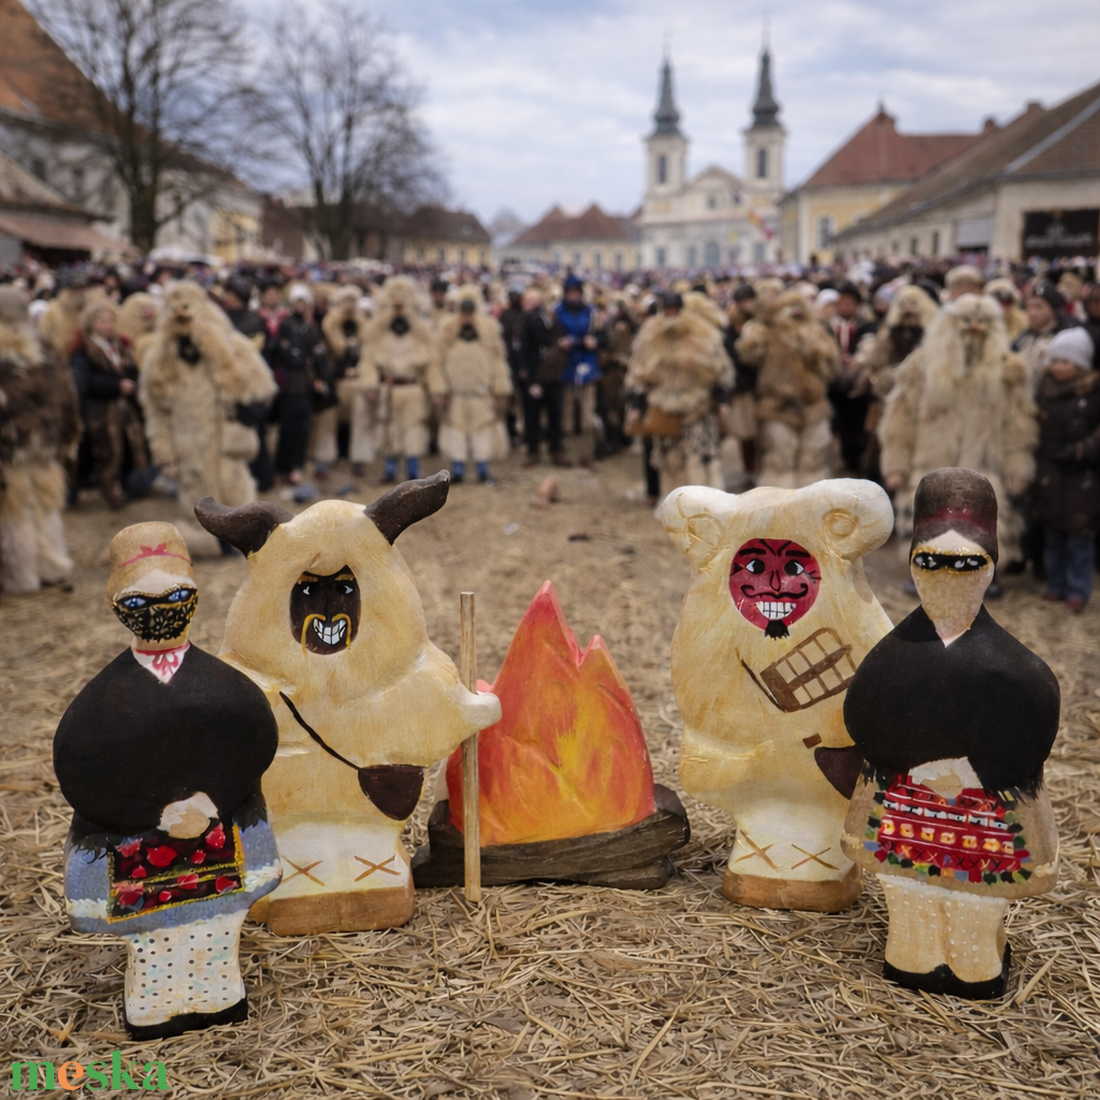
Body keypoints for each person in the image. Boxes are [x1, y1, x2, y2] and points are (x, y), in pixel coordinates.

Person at [878, 293, 1036, 583]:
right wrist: (896, 464)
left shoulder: (1009, 370)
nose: (973, 328)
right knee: (931, 522)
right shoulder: (920, 366)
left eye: (982, 322)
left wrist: (1018, 466)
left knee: (982, 524)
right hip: (930, 466)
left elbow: (1019, 424)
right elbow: (900, 418)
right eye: (965, 321)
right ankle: (928, 576)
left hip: (987, 467)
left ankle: (979, 580)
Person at [139, 281, 277, 556]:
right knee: (197, 500)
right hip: (188, 445)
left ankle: (241, 539)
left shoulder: (229, 343)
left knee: (234, 495)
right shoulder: (161, 356)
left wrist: (215, 353)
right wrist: (163, 449)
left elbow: (260, 387)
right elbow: (155, 407)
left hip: (226, 441)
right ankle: (207, 542)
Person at [0, 286, 80, 593]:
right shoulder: (43, 347)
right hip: (44, 447)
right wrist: (68, 436)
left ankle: (24, 576)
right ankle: (52, 566)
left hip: (11, 450)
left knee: (16, 515)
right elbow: (66, 396)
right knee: (46, 509)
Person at [624, 290, 733, 493]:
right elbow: (638, 377)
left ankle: (704, 501)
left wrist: (722, 401)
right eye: (668, 310)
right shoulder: (650, 337)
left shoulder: (702, 335)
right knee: (670, 460)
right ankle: (675, 502)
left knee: (699, 457)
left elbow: (720, 372)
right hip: (664, 408)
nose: (671, 315)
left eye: (675, 310)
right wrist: (636, 406)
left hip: (698, 407)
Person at [736, 290, 839, 489]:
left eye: (799, 306)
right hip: (778, 406)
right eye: (790, 307)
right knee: (780, 458)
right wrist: (753, 334)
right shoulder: (768, 332)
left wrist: (816, 351)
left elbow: (831, 367)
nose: (796, 311)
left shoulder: (817, 331)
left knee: (813, 457)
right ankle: (778, 502)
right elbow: (748, 354)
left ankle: (812, 500)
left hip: (813, 406)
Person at [1033, 326, 1100, 612]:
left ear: (1081, 364)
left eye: (1067, 362)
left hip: (1081, 477)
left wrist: (1082, 450)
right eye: (1056, 361)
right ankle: (1056, 584)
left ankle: (1078, 588)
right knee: (1054, 536)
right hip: (1051, 475)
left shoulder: (1093, 393)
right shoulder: (1045, 392)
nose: (1059, 367)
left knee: (1078, 540)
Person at [362, 276, 443, 484]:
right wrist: (369, 383)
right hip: (389, 387)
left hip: (413, 387)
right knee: (389, 429)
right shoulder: (378, 330)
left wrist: (436, 389)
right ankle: (390, 470)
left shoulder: (421, 330)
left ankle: (413, 470)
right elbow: (369, 359)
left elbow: (432, 362)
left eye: (403, 297)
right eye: (394, 297)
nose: (398, 301)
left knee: (414, 428)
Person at [69, 299, 147, 508]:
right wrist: (116, 385)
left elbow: (131, 370)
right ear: (91, 323)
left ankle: (124, 486)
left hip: (122, 410)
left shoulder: (120, 345)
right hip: (98, 411)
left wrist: (130, 382)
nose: (107, 326)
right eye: (101, 322)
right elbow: (84, 381)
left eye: (110, 321)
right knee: (101, 453)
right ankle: (93, 489)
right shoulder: (83, 349)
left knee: (126, 449)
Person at [436, 291, 512, 484]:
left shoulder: (488, 330)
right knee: (455, 430)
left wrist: (501, 388)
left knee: (483, 430)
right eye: (464, 310)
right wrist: (439, 389)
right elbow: (438, 361)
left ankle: (483, 470)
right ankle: (458, 469)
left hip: (482, 393)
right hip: (456, 393)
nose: (467, 315)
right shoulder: (448, 329)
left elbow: (498, 361)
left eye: (470, 310)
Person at [270, 285, 333, 485]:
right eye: (297, 301)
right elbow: (282, 351)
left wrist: (322, 377)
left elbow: (319, 355)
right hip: (289, 386)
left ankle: (297, 466)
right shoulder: (286, 325)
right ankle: (282, 468)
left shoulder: (310, 329)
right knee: (287, 428)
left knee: (303, 429)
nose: (300, 305)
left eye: (303, 302)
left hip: (305, 386)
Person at [315, 285, 373, 478]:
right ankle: (323, 460)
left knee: (360, 423)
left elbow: (367, 355)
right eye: (345, 302)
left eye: (353, 302)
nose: (349, 306)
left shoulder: (362, 326)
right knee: (327, 424)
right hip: (336, 380)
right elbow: (332, 351)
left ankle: (358, 460)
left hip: (357, 381)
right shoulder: (330, 325)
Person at [555, 273, 602, 468]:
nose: (573, 296)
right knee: (566, 415)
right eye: (570, 292)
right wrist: (559, 342)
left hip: (587, 364)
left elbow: (602, 335)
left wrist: (595, 341)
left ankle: (586, 455)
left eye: (576, 292)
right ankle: (567, 454)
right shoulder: (557, 312)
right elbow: (550, 336)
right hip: (565, 365)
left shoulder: (591, 312)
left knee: (586, 415)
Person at [519, 287, 569, 467]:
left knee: (554, 415)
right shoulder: (526, 321)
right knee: (532, 417)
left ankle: (555, 449)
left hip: (552, 375)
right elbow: (523, 350)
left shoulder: (550, 319)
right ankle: (533, 451)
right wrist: (527, 377)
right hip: (534, 374)